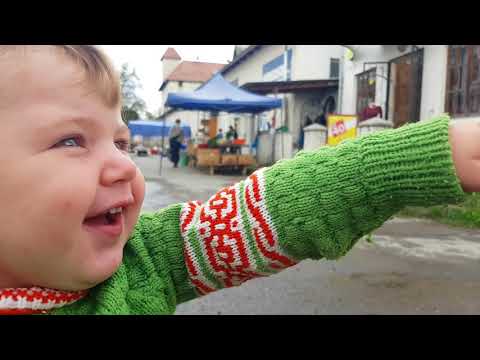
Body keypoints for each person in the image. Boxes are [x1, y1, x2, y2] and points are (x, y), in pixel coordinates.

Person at [0, 45, 478, 315]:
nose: (125, 166)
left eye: (121, 143)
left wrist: (426, 155)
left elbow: (278, 208)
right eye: (71, 141)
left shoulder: (144, 261)